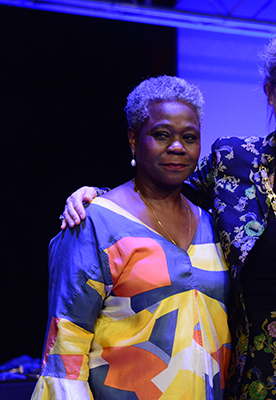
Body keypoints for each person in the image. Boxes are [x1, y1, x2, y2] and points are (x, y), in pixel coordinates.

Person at [60, 15, 276, 399]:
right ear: (270, 92)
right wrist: (99, 195)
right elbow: (165, 189)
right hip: (251, 370)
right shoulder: (233, 158)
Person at [33, 76, 231, 399]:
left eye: (189, 137)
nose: (178, 146)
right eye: (162, 134)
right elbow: (65, 348)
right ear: (133, 140)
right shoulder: (95, 222)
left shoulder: (211, 225)